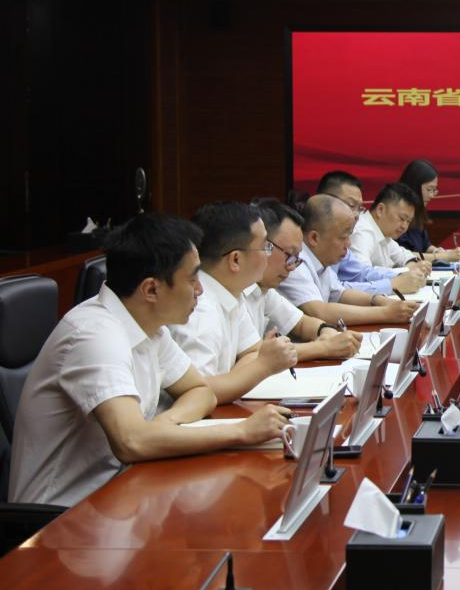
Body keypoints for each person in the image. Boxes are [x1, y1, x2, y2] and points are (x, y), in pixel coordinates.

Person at [8, 214, 290, 507]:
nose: (200, 290)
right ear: (151, 289)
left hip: (125, 491)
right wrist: (241, 431)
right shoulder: (94, 336)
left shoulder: (149, 325)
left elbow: (201, 391)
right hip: (62, 516)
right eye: (192, 279)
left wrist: (166, 423)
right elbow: (131, 442)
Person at [168, 202, 299, 404]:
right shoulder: (200, 310)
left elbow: (252, 351)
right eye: (265, 246)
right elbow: (196, 391)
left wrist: (236, 379)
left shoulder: (231, 292)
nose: (269, 254)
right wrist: (262, 366)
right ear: (235, 260)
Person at [276, 194, 420, 325]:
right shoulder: (295, 262)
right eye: (343, 237)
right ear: (314, 238)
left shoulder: (322, 260)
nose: (349, 244)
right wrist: (385, 313)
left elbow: (341, 294)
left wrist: (379, 300)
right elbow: (320, 312)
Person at [250, 198, 361, 360]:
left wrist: (326, 331)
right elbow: (254, 355)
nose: (292, 267)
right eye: (289, 255)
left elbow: (302, 323)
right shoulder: (239, 290)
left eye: (296, 258)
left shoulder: (264, 290)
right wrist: (325, 347)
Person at [315, 171, 428, 295]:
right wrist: (393, 285)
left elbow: (361, 272)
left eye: (359, 208)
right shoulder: (361, 232)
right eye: (351, 205)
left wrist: (405, 273)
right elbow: (334, 292)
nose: (356, 215)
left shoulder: (383, 233)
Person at [397, 159, 460, 263]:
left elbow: (425, 245)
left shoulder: (416, 211)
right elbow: (403, 255)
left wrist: (439, 251)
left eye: (434, 190)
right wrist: (442, 256)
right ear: (414, 186)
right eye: (429, 190)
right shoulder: (397, 213)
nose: (431, 195)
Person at [350, 182, 426, 270]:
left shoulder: (384, 233)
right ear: (380, 210)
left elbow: (404, 255)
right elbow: (361, 273)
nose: (404, 226)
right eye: (402, 218)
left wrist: (412, 264)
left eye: (408, 221)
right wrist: (405, 271)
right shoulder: (362, 232)